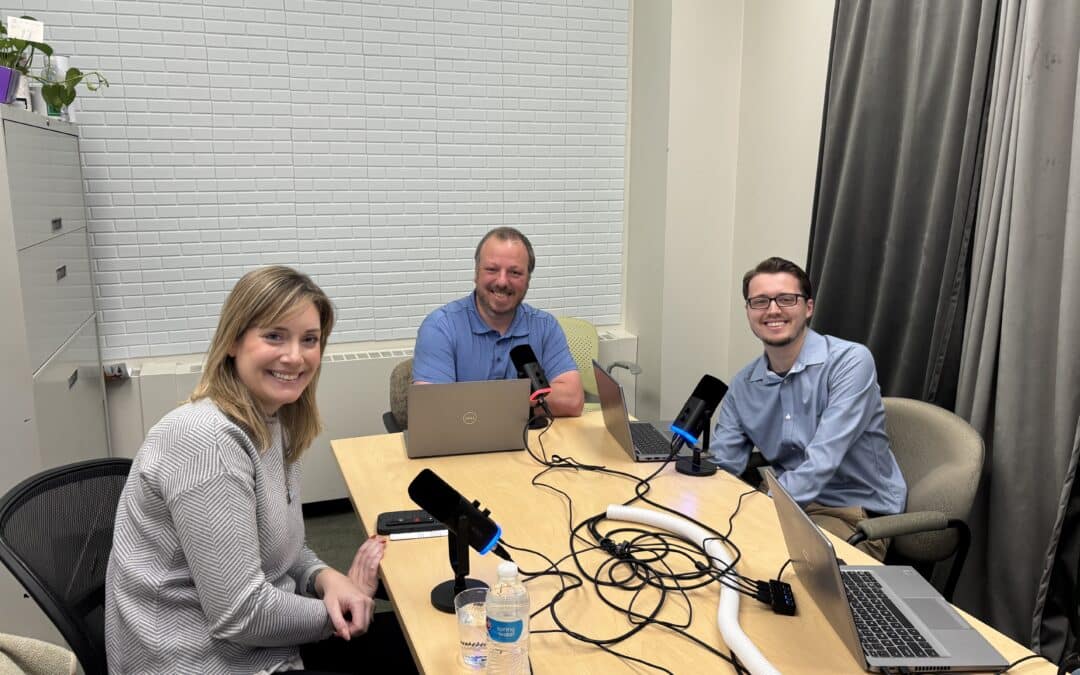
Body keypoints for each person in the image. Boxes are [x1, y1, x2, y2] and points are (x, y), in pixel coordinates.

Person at [105, 266, 415, 674]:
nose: (294, 356)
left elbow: (281, 549)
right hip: (198, 661)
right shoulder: (207, 441)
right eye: (274, 336)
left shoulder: (273, 421)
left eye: (310, 340)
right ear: (233, 341)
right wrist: (345, 612)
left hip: (256, 646)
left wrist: (325, 579)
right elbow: (240, 613)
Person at [710, 257, 907, 561]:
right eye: (760, 301)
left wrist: (754, 506)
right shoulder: (744, 384)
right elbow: (725, 463)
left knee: (762, 566)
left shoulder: (850, 362)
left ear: (808, 307)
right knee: (708, 549)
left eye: (787, 299)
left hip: (852, 513)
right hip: (785, 505)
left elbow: (821, 463)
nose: (773, 310)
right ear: (748, 311)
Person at [412, 226, 584, 417]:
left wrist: (481, 403)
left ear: (528, 279)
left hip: (534, 443)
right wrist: (528, 398)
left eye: (515, 273)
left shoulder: (545, 326)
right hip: (465, 444)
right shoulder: (440, 327)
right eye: (492, 269)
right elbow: (432, 411)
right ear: (476, 273)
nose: (502, 282)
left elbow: (572, 401)